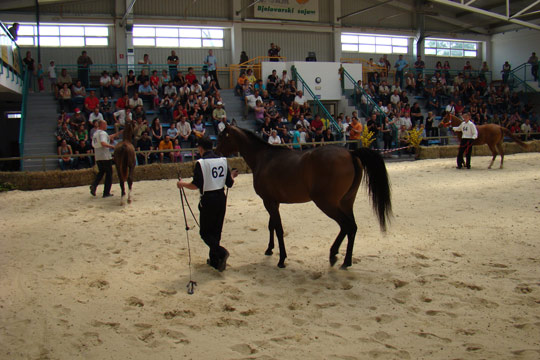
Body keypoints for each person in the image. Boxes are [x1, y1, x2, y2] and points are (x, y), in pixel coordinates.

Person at [176, 136, 238, 271]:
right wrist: (232, 175)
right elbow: (229, 183)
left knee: (205, 233)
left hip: (208, 199)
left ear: (200, 148)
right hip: (221, 198)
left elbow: (195, 185)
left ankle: (221, 252)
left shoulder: (201, 163)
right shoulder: (223, 160)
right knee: (216, 231)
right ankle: (215, 261)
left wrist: (182, 184)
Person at [90, 120, 117, 197]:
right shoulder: (103, 133)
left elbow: (108, 137)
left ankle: (94, 185)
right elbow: (103, 143)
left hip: (98, 156)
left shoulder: (96, 133)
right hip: (105, 156)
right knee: (109, 174)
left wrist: (119, 133)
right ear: (102, 125)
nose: (107, 126)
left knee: (101, 172)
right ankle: (106, 192)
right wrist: (113, 147)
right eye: (105, 124)